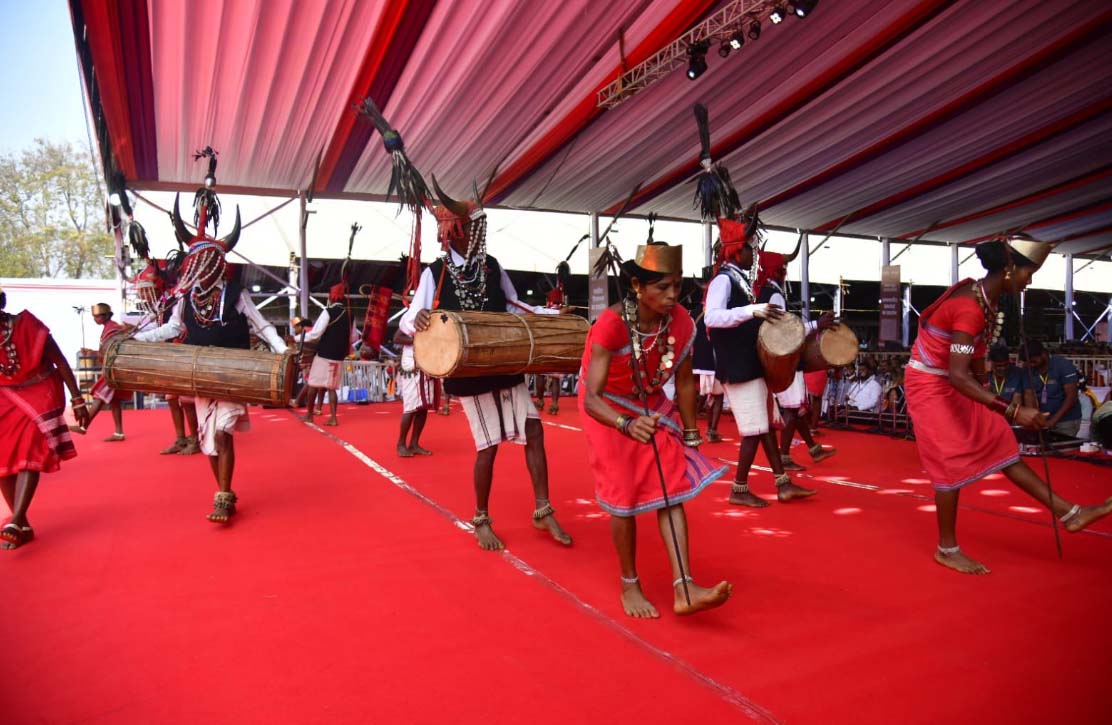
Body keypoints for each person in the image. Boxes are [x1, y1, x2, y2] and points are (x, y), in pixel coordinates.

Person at [904, 236, 1112, 574]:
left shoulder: (986, 298)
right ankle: (947, 548)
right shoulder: (970, 307)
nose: (1028, 281)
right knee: (948, 462)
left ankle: (1071, 514)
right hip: (931, 385)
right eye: (1027, 274)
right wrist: (1012, 409)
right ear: (1009, 269)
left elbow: (974, 356)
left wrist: (988, 396)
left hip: (953, 381)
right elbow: (958, 374)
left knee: (1001, 439)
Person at [400, 180, 572, 551]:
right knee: (488, 446)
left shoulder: (492, 266)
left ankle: (543, 510)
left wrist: (552, 315)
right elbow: (409, 318)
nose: (482, 230)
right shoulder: (435, 273)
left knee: (534, 430)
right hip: (468, 373)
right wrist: (418, 320)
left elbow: (514, 307)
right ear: (457, 232)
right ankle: (481, 518)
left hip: (505, 362)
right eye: (477, 225)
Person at [135, 147, 287, 523]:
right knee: (207, 436)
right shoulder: (185, 296)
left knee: (223, 433)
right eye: (197, 263)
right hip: (198, 374)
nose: (201, 268)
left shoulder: (236, 294)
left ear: (217, 264)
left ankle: (222, 495)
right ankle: (225, 489)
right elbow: (172, 328)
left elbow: (261, 325)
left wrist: (283, 349)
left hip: (231, 372)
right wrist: (138, 339)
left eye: (207, 263)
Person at [580, 242, 731, 618]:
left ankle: (685, 587)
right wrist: (625, 425)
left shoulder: (680, 320)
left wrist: (691, 431)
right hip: (607, 406)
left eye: (677, 286)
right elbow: (591, 399)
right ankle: (629, 584)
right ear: (636, 286)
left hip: (647, 398)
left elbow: (683, 382)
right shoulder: (611, 324)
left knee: (671, 487)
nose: (672, 296)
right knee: (624, 493)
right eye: (662, 287)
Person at [705, 213, 817, 507]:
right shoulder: (723, 280)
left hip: (749, 364)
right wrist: (751, 310)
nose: (753, 253)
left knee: (764, 425)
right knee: (754, 430)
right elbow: (711, 317)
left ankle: (783, 484)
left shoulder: (739, 280)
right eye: (749, 248)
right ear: (735, 249)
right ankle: (739, 489)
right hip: (739, 367)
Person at [1, 287, 89, 549]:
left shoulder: (29, 325)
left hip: (40, 388)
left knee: (32, 447)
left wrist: (77, 399)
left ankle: (15, 519)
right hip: (6, 396)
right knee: (4, 458)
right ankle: (23, 524)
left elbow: (60, 361)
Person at [751, 240, 837, 470]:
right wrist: (817, 324)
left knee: (796, 408)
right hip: (784, 359)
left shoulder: (761, 292)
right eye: (784, 270)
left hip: (773, 359)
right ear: (779, 271)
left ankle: (813, 449)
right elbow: (787, 331)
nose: (785, 274)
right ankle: (784, 457)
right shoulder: (775, 295)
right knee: (791, 409)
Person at [299, 283, 356, 427]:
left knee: (313, 384)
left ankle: (309, 415)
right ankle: (333, 418)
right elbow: (354, 338)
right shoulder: (351, 314)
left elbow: (316, 334)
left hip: (323, 354)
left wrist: (298, 338)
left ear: (332, 296)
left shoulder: (328, 311)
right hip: (338, 356)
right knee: (331, 387)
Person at [69, 303, 128, 441]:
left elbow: (113, 351)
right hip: (112, 367)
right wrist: (92, 352)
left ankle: (84, 426)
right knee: (114, 401)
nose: (95, 319)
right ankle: (119, 432)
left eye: (97, 316)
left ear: (106, 315)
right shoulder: (110, 328)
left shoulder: (113, 329)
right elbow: (107, 351)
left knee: (99, 395)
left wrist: (96, 353)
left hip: (113, 369)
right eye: (94, 316)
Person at [1022, 340, 1082, 438]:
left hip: (1066, 421)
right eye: (1029, 362)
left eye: (1033, 361)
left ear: (1044, 354)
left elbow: (1072, 397)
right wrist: (1035, 418)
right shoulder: (1028, 369)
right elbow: (1029, 395)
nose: (1031, 365)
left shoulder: (1063, 365)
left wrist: (1052, 421)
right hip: (1043, 420)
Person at [394, 328, 436, 457]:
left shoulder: (432, 314)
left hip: (427, 363)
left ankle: (414, 444)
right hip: (413, 365)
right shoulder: (412, 313)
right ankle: (401, 444)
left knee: (423, 407)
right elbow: (397, 338)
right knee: (411, 407)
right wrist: (419, 341)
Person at [691, 314, 724, 443]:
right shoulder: (716, 313)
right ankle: (712, 431)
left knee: (709, 394)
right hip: (715, 360)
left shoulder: (697, 312)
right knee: (718, 397)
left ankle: (709, 428)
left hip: (701, 360)